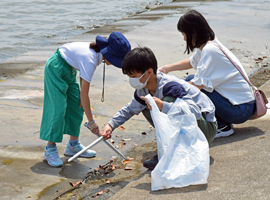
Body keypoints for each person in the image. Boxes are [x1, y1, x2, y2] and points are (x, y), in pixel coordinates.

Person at [99, 46, 217, 170]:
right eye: (129, 76)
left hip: (205, 128)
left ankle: (173, 150)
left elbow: (195, 112)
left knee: (166, 101)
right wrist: (110, 125)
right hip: (192, 125)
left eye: (133, 76)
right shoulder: (143, 89)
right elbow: (130, 109)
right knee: (145, 104)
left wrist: (163, 106)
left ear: (149, 72)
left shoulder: (170, 86)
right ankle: (174, 147)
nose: (131, 81)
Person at [40, 31, 131, 167]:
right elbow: (85, 94)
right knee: (57, 108)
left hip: (69, 69)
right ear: (109, 55)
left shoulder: (96, 56)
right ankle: (50, 149)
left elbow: (82, 96)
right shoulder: (90, 60)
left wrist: (86, 109)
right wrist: (91, 122)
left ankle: (73, 146)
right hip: (56, 67)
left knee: (77, 105)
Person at [159, 10, 255, 138]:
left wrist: (169, 90)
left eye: (184, 34)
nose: (184, 38)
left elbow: (196, 87)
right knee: (191, 78)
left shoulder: (210, 50)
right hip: (242, 105)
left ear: (193, 32)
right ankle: (221, 122)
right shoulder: (209, 45)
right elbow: (191, 63)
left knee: (196, 89)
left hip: (241, 110)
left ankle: (221, 126)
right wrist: (166, 68)